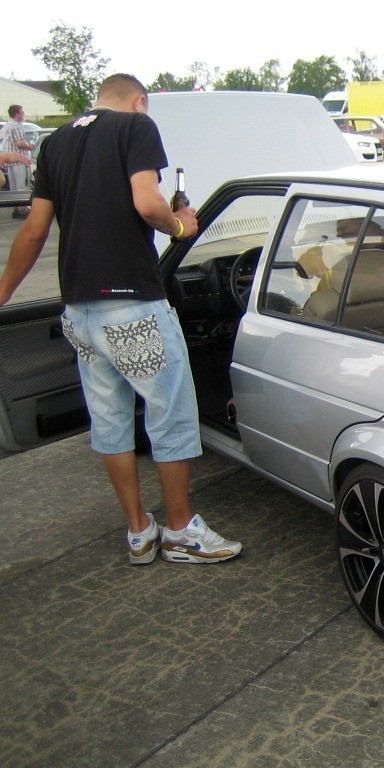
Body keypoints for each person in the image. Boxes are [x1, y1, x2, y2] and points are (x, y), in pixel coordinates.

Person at [0, 73, 242, 566]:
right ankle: (181, 532)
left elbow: (34, 230)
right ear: (139, 101)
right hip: (133, 308)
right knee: (170, 416)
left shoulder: (56, 143)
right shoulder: (136, 127)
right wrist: (180, 227)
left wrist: (2, 293)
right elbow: (147, 203)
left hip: (80, 313)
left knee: (109, 421)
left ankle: (139, 533)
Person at [1, 105, 35, 218]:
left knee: (14, 188)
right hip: (20, 161)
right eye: (22, 112)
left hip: (9, 163)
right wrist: (30, 146)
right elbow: (20, 143)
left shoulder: (7, 125)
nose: (23, 114)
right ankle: (23, 210)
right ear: (16, 114)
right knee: (22, 187)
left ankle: (16, 209)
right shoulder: (17, 126)